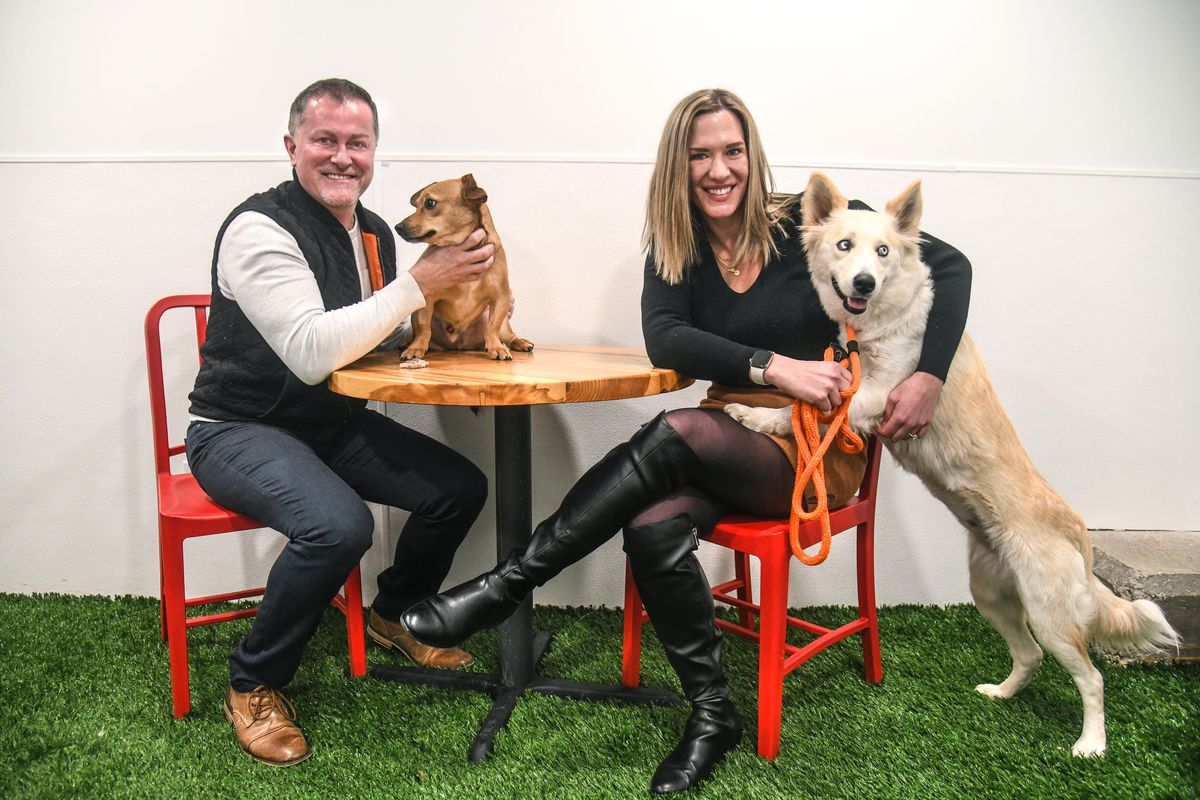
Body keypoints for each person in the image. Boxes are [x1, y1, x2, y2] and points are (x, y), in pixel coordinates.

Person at [401, 89, 971, 793]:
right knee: (650, 522)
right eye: (700, 154)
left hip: (816, 448)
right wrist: (769, 366)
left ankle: (508, 583)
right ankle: (712, 713)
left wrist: (931, 377)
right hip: (728, 434)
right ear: (679, 164)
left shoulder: (809, 222)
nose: (718, 169)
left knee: (680, 429)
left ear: (751, 155)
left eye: (732, 151)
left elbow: (950, 264)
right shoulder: (676, 246)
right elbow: (666, 337)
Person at [185, 78, 497, 767]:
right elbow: (310, 352)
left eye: (357, 143)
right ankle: (253, 682)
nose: (342, 156)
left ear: (374, 152)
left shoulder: (378, 231)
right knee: (339, 526)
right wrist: (421, 285)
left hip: (329, 424)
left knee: (459, 487)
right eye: (325, 140)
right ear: (292, 145)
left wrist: (462, 360)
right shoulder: (258, 228)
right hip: (237, 429)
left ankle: (393, 612)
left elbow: (376, 337)